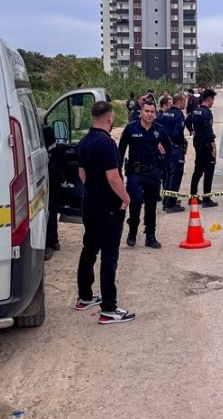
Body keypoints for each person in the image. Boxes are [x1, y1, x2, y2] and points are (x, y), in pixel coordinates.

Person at [75, 101, 135, 324]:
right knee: (109, 255)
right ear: (110, 118)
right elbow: (113, 177)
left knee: (89, 249)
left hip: (89, 201)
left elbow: (81, 174)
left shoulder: (84, 142)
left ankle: (84, 296)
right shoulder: (107, 144)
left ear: (93, 117)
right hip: (108, 206)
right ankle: (109, 308)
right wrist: (125, 198)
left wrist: (94, 188)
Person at [118, 99, 171, 248]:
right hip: (135, 174)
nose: (149, 114)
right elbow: (120, 151)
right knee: (135, 203)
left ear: (155, 114)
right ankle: (132, 232)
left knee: (151, 206)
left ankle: (150, 236)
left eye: (152, 112)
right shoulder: (130, 129)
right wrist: (118, 171)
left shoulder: (159, 130)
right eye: (146, 111)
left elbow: (169, 150)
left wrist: (162, 167)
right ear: (141, 112)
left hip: (153, 173)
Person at [186, 89, 219, 207]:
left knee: (198, 171)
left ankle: (193, 196)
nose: (213, 102)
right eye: (213, 100)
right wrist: (213, 146)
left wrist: (192, 131)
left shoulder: (195, 111)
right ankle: (206, 199)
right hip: (206, 145)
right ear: (209, 99)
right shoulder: (207, 113)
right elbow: (208, 129)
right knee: (209, 172)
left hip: (198, 145)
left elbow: (187, 121)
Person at [158, 93, 188, 214]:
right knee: (175, 177)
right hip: (175, 149)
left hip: (165, 149)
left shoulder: (165, 113)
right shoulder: (179, 115)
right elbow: (177, 134)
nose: (185, 104)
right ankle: (171, 204)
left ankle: (166, 201)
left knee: (168, 175)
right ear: (179, 102)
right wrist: (182, 142)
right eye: (184, 101)